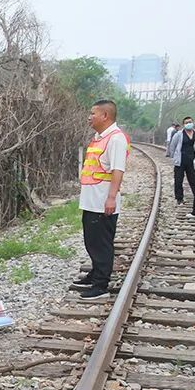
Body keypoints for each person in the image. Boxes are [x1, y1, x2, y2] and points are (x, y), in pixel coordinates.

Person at [72, 99, 128, 301]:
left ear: (105, 116)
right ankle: (95, 274)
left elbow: (117, 170)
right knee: (92, 240)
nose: (89, 117)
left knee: (101, 243)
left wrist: (111, 198)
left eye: (92, 113)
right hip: (92, 200)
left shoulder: (116, 139)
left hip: (103, 201)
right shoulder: (99, 137)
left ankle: (101, 285)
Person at [168, 116, 195, 205]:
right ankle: (179, 198)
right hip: (181, 160)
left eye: (190, 122)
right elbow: (172, 146)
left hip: (193, 161)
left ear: (193, 123)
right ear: (183, 124)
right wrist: (174, 157)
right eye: (186, 122)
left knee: (194, 180)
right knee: (178, 180)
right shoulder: (178, 134)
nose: (189, 124)